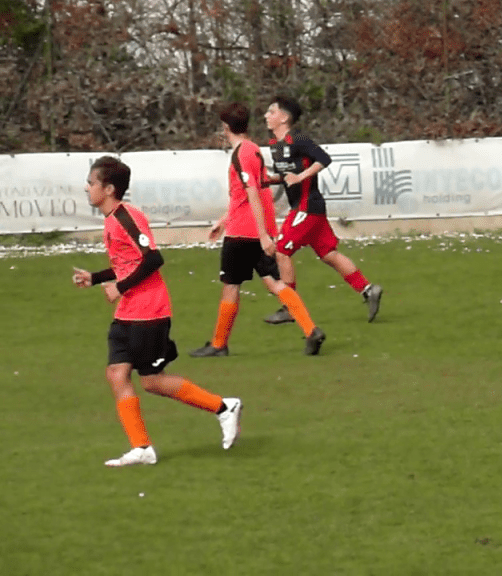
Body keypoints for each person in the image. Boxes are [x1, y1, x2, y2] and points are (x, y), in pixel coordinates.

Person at [72, 156, 243, 467]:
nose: (87, 187)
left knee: (151, 381)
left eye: (91, 182)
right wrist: (95, 278)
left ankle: (223, 407)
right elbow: (129, 263)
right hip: (128, 313)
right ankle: (141, 448)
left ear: (108, 189)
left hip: (149, 311)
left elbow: (153, 259)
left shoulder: (126, 218)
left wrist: (119, 288)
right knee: (116, 373)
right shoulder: (113, 220)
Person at [189, 101, 326, 357]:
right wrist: (223, 220)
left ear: (226, 127)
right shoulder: (253, 149)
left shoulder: (240, 153)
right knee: (274, 282)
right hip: (254, 227)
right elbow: (252, 190)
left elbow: (252, 192)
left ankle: (219, 344)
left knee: (230, 285)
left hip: (244, 233)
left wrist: (261, 234)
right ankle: (311, 330)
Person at [261, 94, 383, 325]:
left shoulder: (299, 140)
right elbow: (288, 177)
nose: (266, 116)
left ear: (284, 117)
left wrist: (302, 176)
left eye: (271, 111)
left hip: (307, 207)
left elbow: (324, 159)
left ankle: (289, 306)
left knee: (281, 251)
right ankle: (368, 290)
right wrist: (269, 180)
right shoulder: (277, 146)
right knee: (329, 255)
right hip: (309, 209)